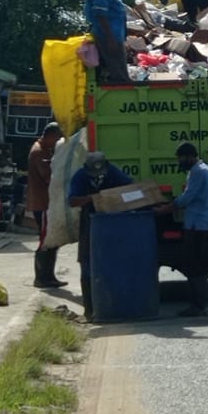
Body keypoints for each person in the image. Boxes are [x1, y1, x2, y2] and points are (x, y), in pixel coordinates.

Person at [67, 151, 134, 317]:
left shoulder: (113, 172)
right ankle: (90, 309)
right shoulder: (80, 176)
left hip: (111, 221)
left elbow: (130, 188)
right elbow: (72, 200)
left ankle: (115, 305)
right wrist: (91, 198)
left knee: (113, 261)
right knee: (87, 261)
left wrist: (112, 196)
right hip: (89, 222)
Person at [163, 142, 208, 317]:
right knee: (197, 264)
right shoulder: (204, 169)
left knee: (194, 265)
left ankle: (198, 306)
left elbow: (187, 197)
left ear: (190, 156)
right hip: (201, 222)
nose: (180, 162)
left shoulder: (198, 171)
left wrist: (167, 208)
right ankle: (198, 305)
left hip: (196, 225)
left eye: (182, 158)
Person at [27, 122, 67, 288]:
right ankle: (42, 278)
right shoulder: (39, 152)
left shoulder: (44, 150)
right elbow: (48, 177)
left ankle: (48, 276)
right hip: (42, 202)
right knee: (46, 241)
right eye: (57, 138)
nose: (57, 142)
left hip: (44, 202)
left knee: (51, 241)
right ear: (50, 136)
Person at [85, 0, 132, 84]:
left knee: (120, 73)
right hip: (107, 36)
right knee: (119, 76)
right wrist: (110, 38)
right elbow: (100, 14)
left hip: (114, 36)